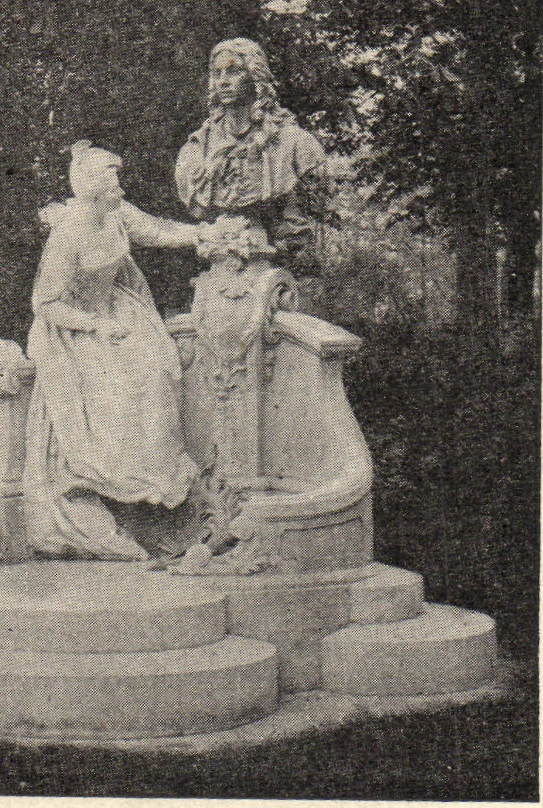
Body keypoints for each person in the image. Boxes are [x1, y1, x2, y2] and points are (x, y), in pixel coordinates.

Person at [22, 141, 203, 562]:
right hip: (73, 326)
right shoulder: (69, 234)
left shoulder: (117, 212)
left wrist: (202, 233)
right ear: (90, 185)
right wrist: (96, 325)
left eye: (116, 176)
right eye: (110, 176)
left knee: (159, 376)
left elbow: (158, 231)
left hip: (119, 310)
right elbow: (45, 302)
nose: (118, 183)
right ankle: (118, 493)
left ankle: (157, 499)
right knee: (116, 397)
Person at [174, 38, 327, 275]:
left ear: (255, 77)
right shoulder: (196, 149)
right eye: (217, 73)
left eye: (234, 71)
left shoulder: (294, 144)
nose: (223, 81)